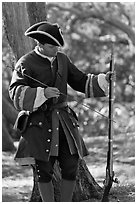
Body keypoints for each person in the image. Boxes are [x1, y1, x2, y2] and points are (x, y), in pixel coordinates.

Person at [9, 21, 113, 202]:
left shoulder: (63, 59)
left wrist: (104, 79)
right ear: (39, 45)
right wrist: (42, 93)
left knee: (71, 165)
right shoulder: (25, 62)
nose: (56, 49)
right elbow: (15, 92)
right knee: (44, 170)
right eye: (51, 46)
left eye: (58, 46)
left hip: (64, 122)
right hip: (39, 123)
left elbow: (80, 80)